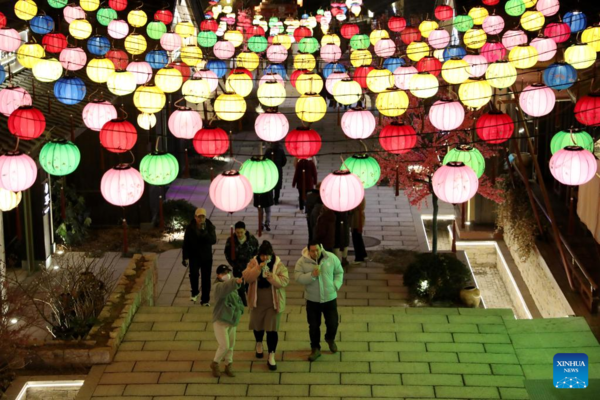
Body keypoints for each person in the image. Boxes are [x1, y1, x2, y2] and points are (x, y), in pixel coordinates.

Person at [294, 240, 344, 362]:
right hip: (312, 299)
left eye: (317, 250)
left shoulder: (331, 258)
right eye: (312, 251)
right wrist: (312, 275)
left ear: (320, 248)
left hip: (329, 298)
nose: (315, 253)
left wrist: (335, 285)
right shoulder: (302, 262)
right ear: (308, 250)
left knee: (333, 323)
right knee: (314, 326)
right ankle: (315, 348)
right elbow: (298, 277)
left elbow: (339, 272)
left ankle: (330, 338)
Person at [242, 241, 289, 371]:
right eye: (263, 256)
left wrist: (272, 277)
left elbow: (284, 282)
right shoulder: (253, 263)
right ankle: (258, 343)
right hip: (257, 302)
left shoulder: (278, 264)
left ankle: (271, 355)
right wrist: (258, 269)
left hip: (273, 303)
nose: (265, 258)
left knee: (272, 330)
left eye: (267, 255)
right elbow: (247, 277)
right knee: (257, 326)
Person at [210, 265, 245, 378]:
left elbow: (237, 300)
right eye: (224, 273)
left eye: (228, 272)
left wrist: (240, 310)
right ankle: (215, 363)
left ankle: (228, 365)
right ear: (218, 275)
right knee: (224, 345)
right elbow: (225, 288)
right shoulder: (218, 287)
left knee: (231, 345)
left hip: (232, 320)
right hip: (221, 320)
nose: (227, 275)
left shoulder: (230, 286)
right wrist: (236, 281)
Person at [182, 208, 217, 306]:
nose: (201, 219)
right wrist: (185, 257)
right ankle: (195, 291)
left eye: (203, 217)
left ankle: (205, 300)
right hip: (194, 256)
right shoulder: (190, 228)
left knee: (206, 278)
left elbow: (213, 240)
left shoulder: (209, 226)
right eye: (199, 217)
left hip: (206, 257)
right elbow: (186, 244)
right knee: (193, 274)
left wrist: (204, 232)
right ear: (195, 217)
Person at [224, 221, 259, 306]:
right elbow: (227, 253)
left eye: (241, 232)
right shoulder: (231, 240)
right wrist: (233, 264)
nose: (239, 234)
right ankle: (243, 304)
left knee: (249, 286)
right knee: (239, 287)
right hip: (237, 268)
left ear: (245, 230)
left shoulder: (252, 240)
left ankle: (251, 302)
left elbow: (256, 252)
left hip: (249, 268)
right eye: (237, 232)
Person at [350, 198, 368, 263]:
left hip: (357, 219)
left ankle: (359, 257)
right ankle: (363, 254)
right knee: (358, 237)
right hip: (357, 218)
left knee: (356, 237)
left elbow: (353, 207)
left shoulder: (358, 196)